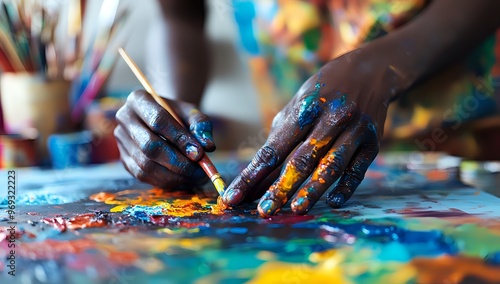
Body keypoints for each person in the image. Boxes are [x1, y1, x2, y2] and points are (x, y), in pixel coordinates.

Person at [114, 0, 500, 218]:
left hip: (469, 150)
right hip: (302, 160)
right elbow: (179, 14)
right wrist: (167, 112)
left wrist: (383, 67)